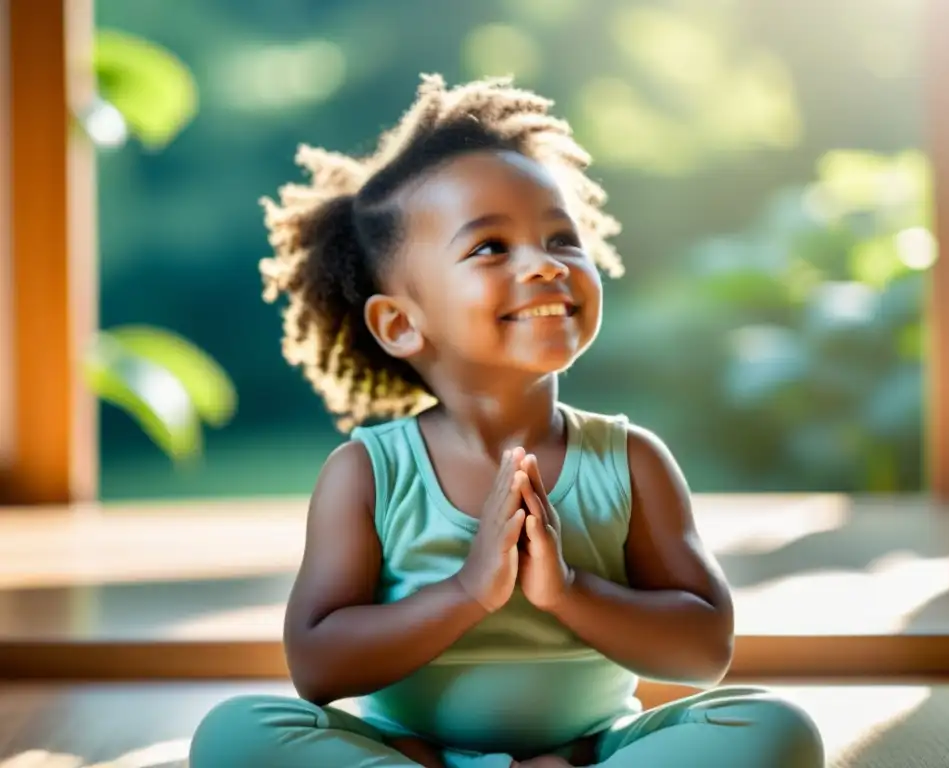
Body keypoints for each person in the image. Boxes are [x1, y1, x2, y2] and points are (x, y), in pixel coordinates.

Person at [189, 74, 824, 768]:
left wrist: (569, 592)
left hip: (591, 752)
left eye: (561, 239)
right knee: (236, 733)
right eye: (491, 247)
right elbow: (317, 666)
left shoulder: (631, 459)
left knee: (776, 729)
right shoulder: (368, 474)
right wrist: (468, 591)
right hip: (415, 754)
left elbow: (705, 651)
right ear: (400, 322)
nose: (546, 265)